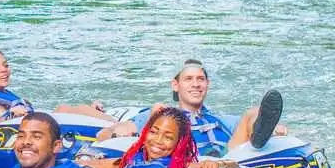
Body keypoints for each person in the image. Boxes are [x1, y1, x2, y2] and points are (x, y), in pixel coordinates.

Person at [96, 59, 284, 154]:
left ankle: (262, 134)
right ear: (175, 85)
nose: (196, 84)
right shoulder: (162, 116)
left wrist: (274, 129)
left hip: (229, 158)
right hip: (190, 162)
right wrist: (117, 133)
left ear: (207, 85)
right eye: (188, 79)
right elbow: (104, 134)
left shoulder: (219, 119)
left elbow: (246, 124)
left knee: (252, 113)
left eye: (200, 79)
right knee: (158, 110)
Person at [78, 107, 236, 168]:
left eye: (168, 137)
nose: (158, 141)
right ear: (145, 132)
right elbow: (89, 167)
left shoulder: (182, 167)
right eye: (153, 132)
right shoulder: (128, 162)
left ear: (179, 143)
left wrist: (213, 166)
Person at [0, 49, 111, 125]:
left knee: (65, 108)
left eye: (6, 65)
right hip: (24, 133)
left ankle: (106, 120)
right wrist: (10, 115)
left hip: (35, 127)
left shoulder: (6, 95)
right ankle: (115, 126)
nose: (4, 70)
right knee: (63, 109)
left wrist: (90, 111)